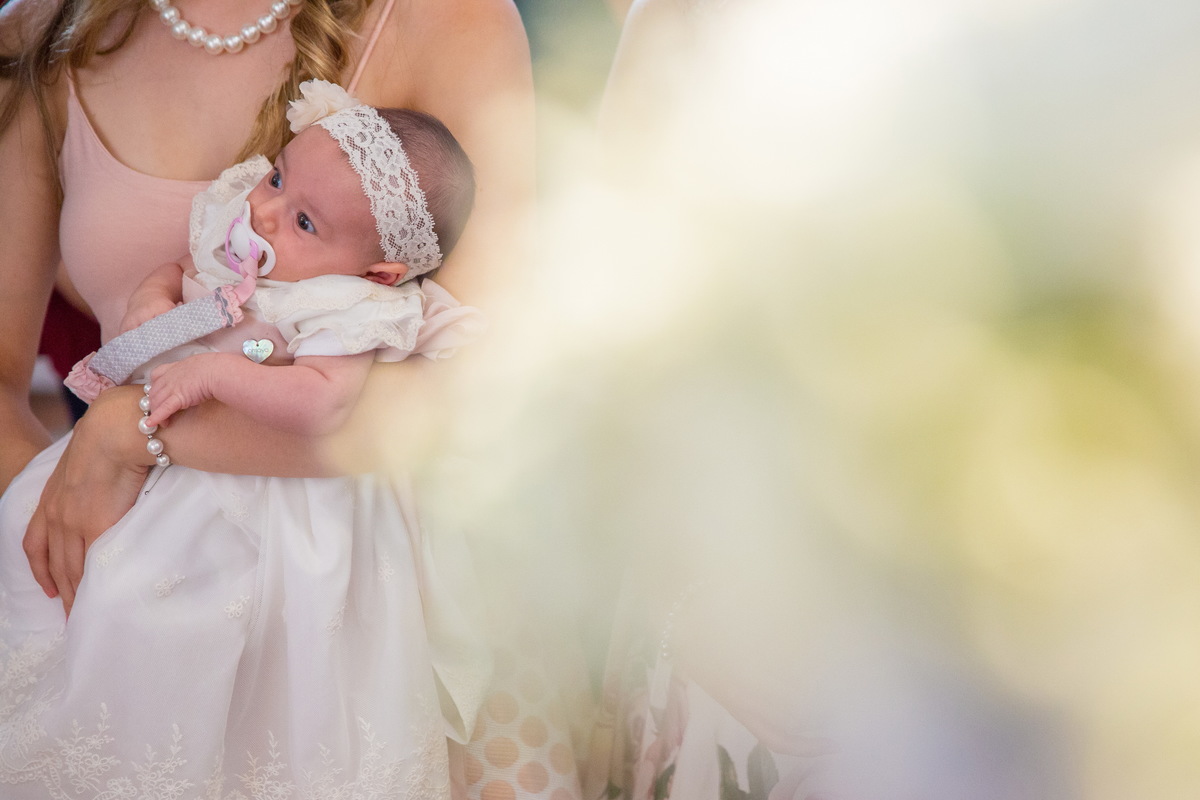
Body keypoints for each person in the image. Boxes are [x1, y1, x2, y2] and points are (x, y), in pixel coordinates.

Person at [0, 1, 586, 799]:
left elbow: (488, 394)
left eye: (301, 214)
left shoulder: (445, 20)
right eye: (275, 182)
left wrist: (129, 431)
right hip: (119, 593)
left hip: (354, 603)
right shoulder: (41, 33)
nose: (266, 213)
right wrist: (55, 561)